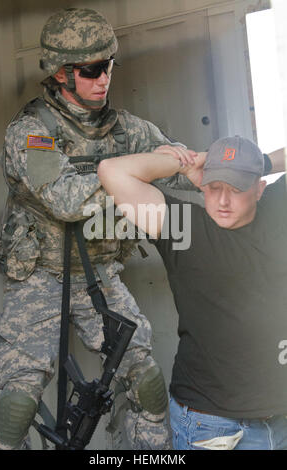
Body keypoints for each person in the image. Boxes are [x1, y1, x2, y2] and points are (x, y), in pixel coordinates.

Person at [0, 7, 196, 450]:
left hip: (99, 275)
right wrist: (139, 177)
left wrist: (189, 163)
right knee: (16, 408)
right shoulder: (34, 132)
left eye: (108, 66)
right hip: (38, 278)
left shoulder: (124, 130)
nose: (104, 78)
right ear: (61, 73)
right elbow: (67, 200)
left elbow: (181, 165)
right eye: (91, 70)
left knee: (147, 383)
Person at [98, 136, 287, 450]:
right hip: (214, 426)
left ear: (259, 188)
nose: (223, 201)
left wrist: (262, 162)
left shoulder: (278, 209)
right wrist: (189, 161)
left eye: (237, 188)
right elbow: (112, 172)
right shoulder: (183, 227)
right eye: (215, 187)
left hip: (279, 418)